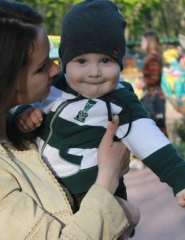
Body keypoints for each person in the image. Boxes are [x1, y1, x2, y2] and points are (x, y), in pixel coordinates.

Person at [0, 0, 135, 239]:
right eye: (42, 66)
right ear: (2, 80)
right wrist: (109, 180)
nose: (56, 70)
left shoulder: (18, 126)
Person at [15, 0, 185, 221]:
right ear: (66, 62)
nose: (94, 72)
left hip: (95, 193)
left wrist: (179, 179)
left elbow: (150, 139)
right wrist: (23, 117)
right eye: (82, 61)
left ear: (119, 63)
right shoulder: (53, 86)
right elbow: (24, 106)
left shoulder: (121, 101)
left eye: (105, 60)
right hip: (47, 190)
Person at [140, 30, 168, 137]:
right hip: (153, 96)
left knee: (155, 128)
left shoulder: (153, 57)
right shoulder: (153, 56)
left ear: (149, 42)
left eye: (143, 41)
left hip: (153, 97)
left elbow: (154, 77)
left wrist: (143, 83)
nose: (141, 43)